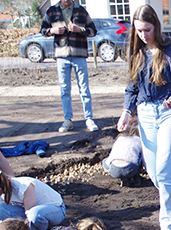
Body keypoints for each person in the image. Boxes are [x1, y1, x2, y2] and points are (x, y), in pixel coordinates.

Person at [118, 4, 171, 230]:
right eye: (139, 30)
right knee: (153, 173)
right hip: (145, 115)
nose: (143, 35)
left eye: (147, 30)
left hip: (168, 113)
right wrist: (125, 111)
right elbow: (132, 88)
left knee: (163, 170)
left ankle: (167, 227)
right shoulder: (136, 52)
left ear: (156, 26)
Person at [40, 0, 99, 133]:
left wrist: (80, 30)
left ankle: (89, 118)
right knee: (64, 90)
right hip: (61, 56)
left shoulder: (81, 10)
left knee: (84, 89)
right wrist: (52, 30)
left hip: (79, 54)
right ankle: (68, 120)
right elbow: (43, 31)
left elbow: (93, 31)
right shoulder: (51, 11)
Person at [0, 169, 66, 230]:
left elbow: (29, 216)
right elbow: (0, 211)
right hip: (33, 214)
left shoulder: (24, 187)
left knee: (34, 214)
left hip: (56, 210)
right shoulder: (2, 191)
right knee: (1, 208)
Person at [103, 120, 143, 187]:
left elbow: (109, 160)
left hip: (114, 170)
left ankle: (122, 177)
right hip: (130, 168)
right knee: (138, 157)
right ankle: (136, 178)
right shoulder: (138, 140)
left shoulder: (119, 140)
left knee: (105, 161)